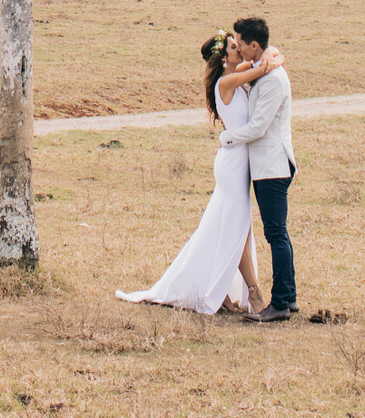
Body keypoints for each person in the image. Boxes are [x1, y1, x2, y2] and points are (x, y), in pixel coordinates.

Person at [114, 27, 287, 315]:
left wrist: (269, 53)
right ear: (223, 60)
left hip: (239, 160)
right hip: (233, 164)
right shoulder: (228, 81)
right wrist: (268, 57)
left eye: (239, 45)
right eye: (234, 47)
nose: (239, 49)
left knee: (230, 226)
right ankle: (253, 293)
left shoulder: (235, 72)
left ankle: (218, 290)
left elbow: (271, 59)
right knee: (239, 226)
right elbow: (263, 68)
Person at [217, 16, 299, 323]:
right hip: (266, 165)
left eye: (242, 43)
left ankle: (279, 302)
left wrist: (228, 138)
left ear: (254, 46)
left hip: (272, 166)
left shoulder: (272, 81)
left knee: (276, 234)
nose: (238, 47)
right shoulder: (262, 72)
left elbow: (259, 127)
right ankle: (287, 298)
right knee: (278, 233)